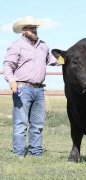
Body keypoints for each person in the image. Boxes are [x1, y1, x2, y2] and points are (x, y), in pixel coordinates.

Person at [3, 16, 64, 158]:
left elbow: (52, 61)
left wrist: (69, 58)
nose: (35, 30)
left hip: (39, 90)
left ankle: (36, 153)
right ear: (23, 30)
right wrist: (12, 82)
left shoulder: (43, 46)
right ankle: (18, 154)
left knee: (37, 124)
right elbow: (8, 65)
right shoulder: (16, 46)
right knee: (21, 123)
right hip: (22, 88)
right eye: (31, 28)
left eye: (35, 28)